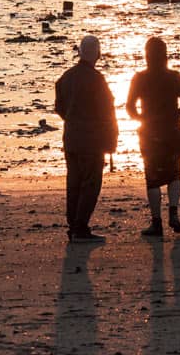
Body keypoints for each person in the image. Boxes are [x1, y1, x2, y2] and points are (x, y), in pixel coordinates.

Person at [125, 36, 180, 239]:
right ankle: (174, 212)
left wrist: (141, 119)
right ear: (165, 55)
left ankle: (156, 222)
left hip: (149, 132)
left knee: (152, 179)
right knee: (174, 173)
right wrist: (176, 116)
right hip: (172, 131)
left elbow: (129, 106)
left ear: (146, 56)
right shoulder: (175, 77)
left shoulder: (139, 78)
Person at [53, 34, 118, 244]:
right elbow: (108, 112)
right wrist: (111, 140)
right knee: (91, 184)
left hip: (71, 139)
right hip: (91, 141)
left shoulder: (66, 77)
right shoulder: (97, 80)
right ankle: (80, 228)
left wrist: (72, 121)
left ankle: (74, 226)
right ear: (97, 54)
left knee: (73, 184)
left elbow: (59, 108)